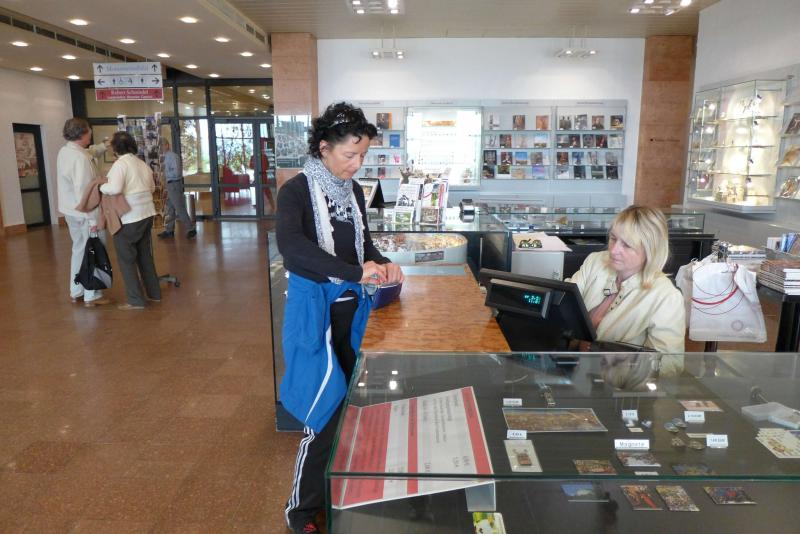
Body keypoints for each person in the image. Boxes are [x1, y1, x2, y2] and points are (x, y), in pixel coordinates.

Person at [277, 102, 404, 534]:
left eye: (363, 155)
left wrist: (383, 263)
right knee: (325, 413)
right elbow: (292, 248)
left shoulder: (352, 192)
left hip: (352, 313)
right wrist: (354, 272)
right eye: (351, 154)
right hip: (315, 314)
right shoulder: (296, 191)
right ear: (324, 148)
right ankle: (299, 510)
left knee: (353, 403)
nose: (357, 164)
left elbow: (363, 246)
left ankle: (343, 489)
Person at [567, 205, 686, 357]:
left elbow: (670, 364)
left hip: (617, 373)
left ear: (650, 250)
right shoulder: (595, 262)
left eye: (627, 245)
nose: (614, 250)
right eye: (613, 238)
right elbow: (565, 303)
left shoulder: (667, 297)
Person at [100, 132, 161, 311]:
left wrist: (100, 186)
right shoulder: (141, 163)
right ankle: (154, 293)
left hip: (129, 217)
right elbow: (152, 188)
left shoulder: (120, 164)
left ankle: (135, 300)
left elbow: (115, 188)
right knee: (144, 256)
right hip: (147, 213)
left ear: (115, 148)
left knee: (126, 259)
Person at [56, 117, 112, 307]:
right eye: (89, 130)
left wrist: (104, 146)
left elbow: (90, 152)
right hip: (86, 213)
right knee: (94, 250)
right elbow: (84, 191)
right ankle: (92, 294)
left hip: (70, 211)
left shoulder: (66, 151)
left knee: (79, 249)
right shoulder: (80, 159)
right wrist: (92, 221)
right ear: (81, 134)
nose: (91, 133)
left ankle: (77, 290)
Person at [158, 139, 196, 239]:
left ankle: (191, 229)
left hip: (174, 184)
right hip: (168, 185)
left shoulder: (173, 156)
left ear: (167, 145)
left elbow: (177, 173)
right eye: (159, 147)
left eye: (162, 145)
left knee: (179, 208)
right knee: (170, 208)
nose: (161, 148)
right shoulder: (164, 157)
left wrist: (165, 173)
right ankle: (169, 230)